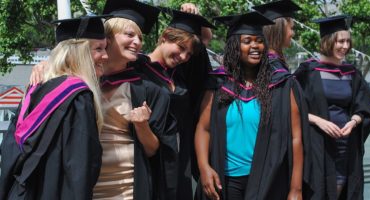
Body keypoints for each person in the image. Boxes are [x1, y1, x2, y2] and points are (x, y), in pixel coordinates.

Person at [194, 11, 308, 200]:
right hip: (226, 180)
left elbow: (295, 137)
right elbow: (203, 128)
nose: (255, 46)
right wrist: (204, 167)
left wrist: (296, 189)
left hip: (268, 179)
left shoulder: (281, 84)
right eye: (247, 41)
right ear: (234, 46)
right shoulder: (218, 83)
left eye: (259, 40)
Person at [0, 16, 108, 199]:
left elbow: (10, 150)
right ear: (77, 52)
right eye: (99, 48)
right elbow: (80, 170)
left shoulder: (34, 90)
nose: (105, 56)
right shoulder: (78, 97)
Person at [129, 7, 214, 200]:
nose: (184, 57)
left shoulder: (180, 74)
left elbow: (206, 39)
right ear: (165, 36)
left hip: (179, 160)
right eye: (181, 48)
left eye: (189, 54)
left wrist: (196, 14)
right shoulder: (137, 68)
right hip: (150, 159)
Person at [93, 0, 174, 199]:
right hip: (86, 182)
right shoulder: (84, 80)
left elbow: (153, 150)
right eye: (130, 35)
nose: (137, 42)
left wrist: (142, 126)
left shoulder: (149, 90)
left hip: (127, 188)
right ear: (108, 37)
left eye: (140, 37)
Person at [294, 15, 370, 200]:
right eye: (341, 41)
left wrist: (354, 121)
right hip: (317, 146)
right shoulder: (307, 72)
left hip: (346, 147)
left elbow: (365, 105)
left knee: (343, 191)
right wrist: (318, 120)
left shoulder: (352, 73)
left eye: (348, 41)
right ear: (328, 41)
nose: (345, 46)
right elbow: (291, 107)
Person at [253, 0, 301, 81]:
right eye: (291, 28)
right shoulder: (274, 69)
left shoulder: (261, 62)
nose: (293, 33)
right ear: (280, 29)